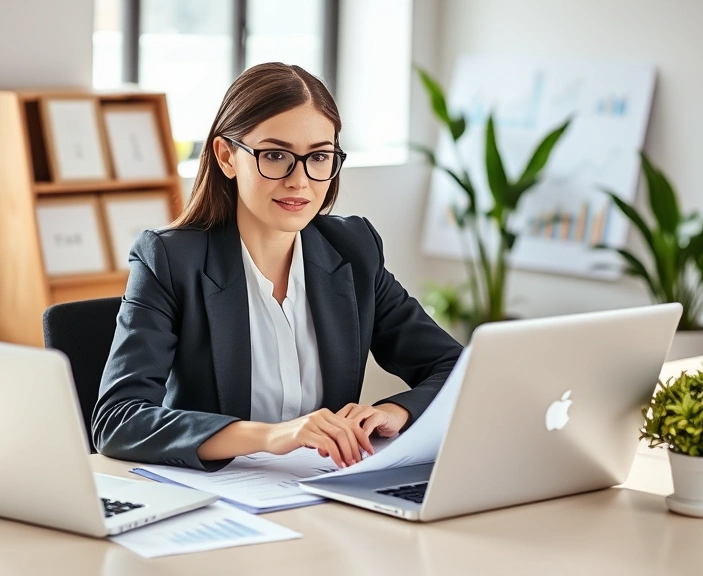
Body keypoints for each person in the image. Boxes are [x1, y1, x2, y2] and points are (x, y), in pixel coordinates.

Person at [91, 62, 463, 472]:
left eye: (319, 157)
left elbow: (455, 367)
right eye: (275, 155)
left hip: (324, 493)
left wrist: (398, 410)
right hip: (216, 498)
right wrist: (273, 435)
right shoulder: (169, 260)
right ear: (226, 156)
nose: (299, 180)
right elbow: (118, 419)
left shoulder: (353, 250)